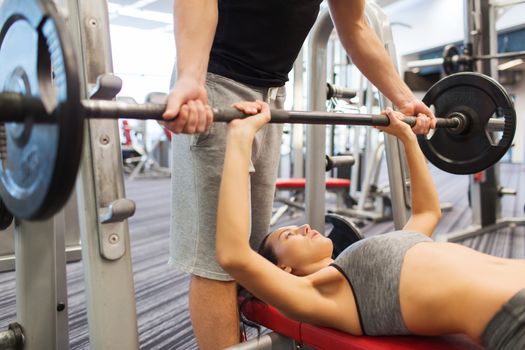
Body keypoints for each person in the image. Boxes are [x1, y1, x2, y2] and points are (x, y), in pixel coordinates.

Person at [162, 1, 435, 348]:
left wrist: (404, 98)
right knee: (218, 262)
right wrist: (190, 77)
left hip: (274, 93)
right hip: (215, 81)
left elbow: (356, 27)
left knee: (248, 250)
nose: (305, 228)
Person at [216, 101, 525, 350]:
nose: (303, 227)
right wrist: (241, 139)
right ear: (283, 271)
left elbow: (428, 212)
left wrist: (406, 137)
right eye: (289, 235)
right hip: (512, 312)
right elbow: (234, 256)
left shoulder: (360, 259)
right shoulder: (320, 294)